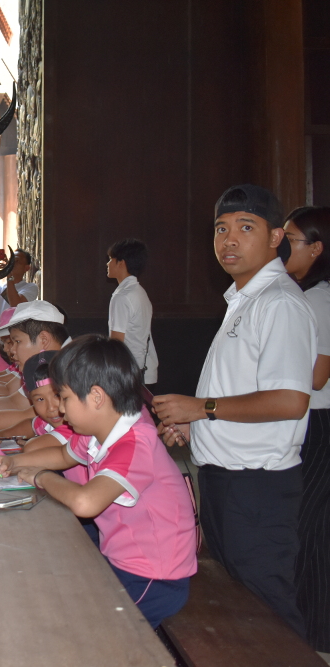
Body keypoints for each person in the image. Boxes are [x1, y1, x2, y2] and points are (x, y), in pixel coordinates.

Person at [154, 184, 315, 636]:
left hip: (257, 489)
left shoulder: (279, 303)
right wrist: (196, 425)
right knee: (240, 611)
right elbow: (240, 393)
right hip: (227, 482)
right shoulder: (244, 299)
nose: (229, 239)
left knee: (268, 612)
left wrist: (201, 408)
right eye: (221, 228)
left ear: (276, 237)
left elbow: (290, 400)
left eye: (246, 228)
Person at [0, 335, 197, 628]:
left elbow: (86, 503)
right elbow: (63, 454)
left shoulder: (135, 443)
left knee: (79, 624)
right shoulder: (97, 433)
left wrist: (41, 476)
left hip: (154, 578)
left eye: (65, 398)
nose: (60, 410)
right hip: (123, 562)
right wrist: (13, 463)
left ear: (96, 397)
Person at [283, 206, 330, 650]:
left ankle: (316, 629)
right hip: (311, 417)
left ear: (316, 249)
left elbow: (316, 377)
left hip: (320, 419)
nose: (282, 248)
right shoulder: (303, 296)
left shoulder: (317, 300)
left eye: (291, 240)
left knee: (312, 524)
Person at [106, 238, 158, 386]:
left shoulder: (122, 296)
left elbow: (117, 343)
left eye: (111, 259)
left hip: (128, 374)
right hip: (145, 370)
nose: (107, 264)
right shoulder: (140, 292)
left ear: (121, 263)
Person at [0, 249, 38, 326]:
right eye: (11, 261)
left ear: (27, 268)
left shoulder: (30, 287)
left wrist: (9, 275)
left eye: (17, 261)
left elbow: (15, 304)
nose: (12, 264)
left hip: (13, 333)